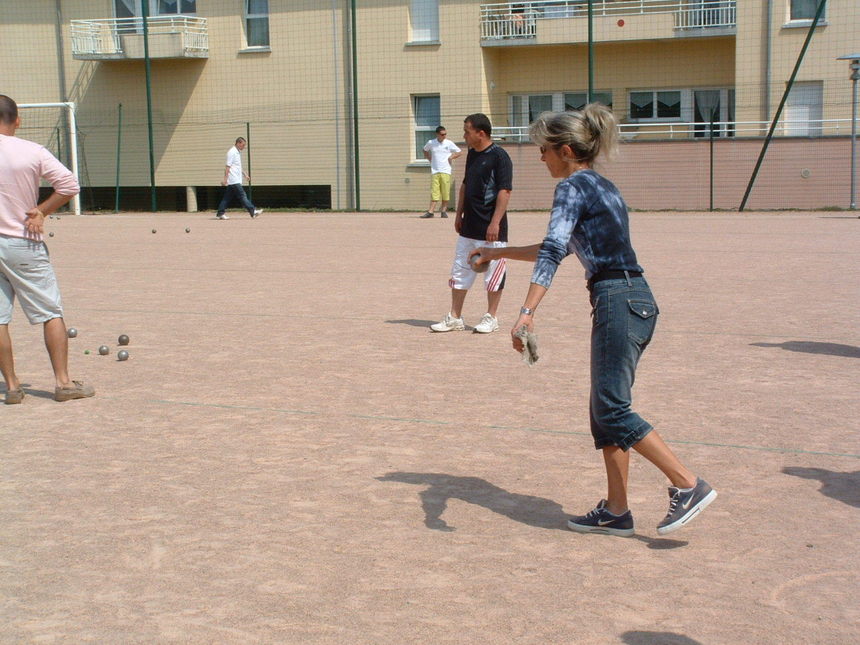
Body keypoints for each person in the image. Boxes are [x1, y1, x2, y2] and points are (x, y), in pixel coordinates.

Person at [471, 105, 716, 536]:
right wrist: (497, 253)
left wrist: (526, 313)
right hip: (633, 299)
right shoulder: (602, 186)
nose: (540, 157)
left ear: (565, 151)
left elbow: (553, 251)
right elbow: (561, 245)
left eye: (544, 150)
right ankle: (617, 510)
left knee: (611, 409)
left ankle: (687, 483)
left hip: (616, 299)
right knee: (604, 411)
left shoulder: (571, 187)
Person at [0, 95, 95, 404]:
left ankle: (12, 387)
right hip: (22, 241)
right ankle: (64, 384)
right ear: (17, 120)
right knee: (50, 313)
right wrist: (41, 211)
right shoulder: (32, 151)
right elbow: (69, 185)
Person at [430, 113, 513, 335]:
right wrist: (459, 214)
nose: (464, 135)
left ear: (481, 133)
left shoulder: (500, 157)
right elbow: (465, 186)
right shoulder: (472, 154)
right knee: (460, 270)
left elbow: (505, 191)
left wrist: (495, 222)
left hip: (491, 230)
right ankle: (455, 317)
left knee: (493, 274)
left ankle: (491, 317)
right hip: (469, 227)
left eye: (467, 131)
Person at [420, 126, 462, 219]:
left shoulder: (449, 143)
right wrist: (429, 158)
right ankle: (431, 211)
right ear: (437, 134)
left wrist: (451, 157)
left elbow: (459, 152)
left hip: (446, 171)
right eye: (442, 134)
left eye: (445, 134)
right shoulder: (431, 142)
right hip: (435, 170)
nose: (444, 136)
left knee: (445, 192)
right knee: (434, 191)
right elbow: (425, 150)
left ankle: (443, 211)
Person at [216, 137, 262, 220]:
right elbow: (227, 167)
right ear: (238, 143)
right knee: (242, 195)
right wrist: (225, 179)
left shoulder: (237, 152)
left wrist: (245, 175)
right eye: (243, 145)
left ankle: (220, 213)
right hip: (233, 180)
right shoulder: (232, 152)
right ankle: (253, 211)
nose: (244, 147)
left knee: (227, 198)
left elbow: (238, 166)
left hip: (235, 179)